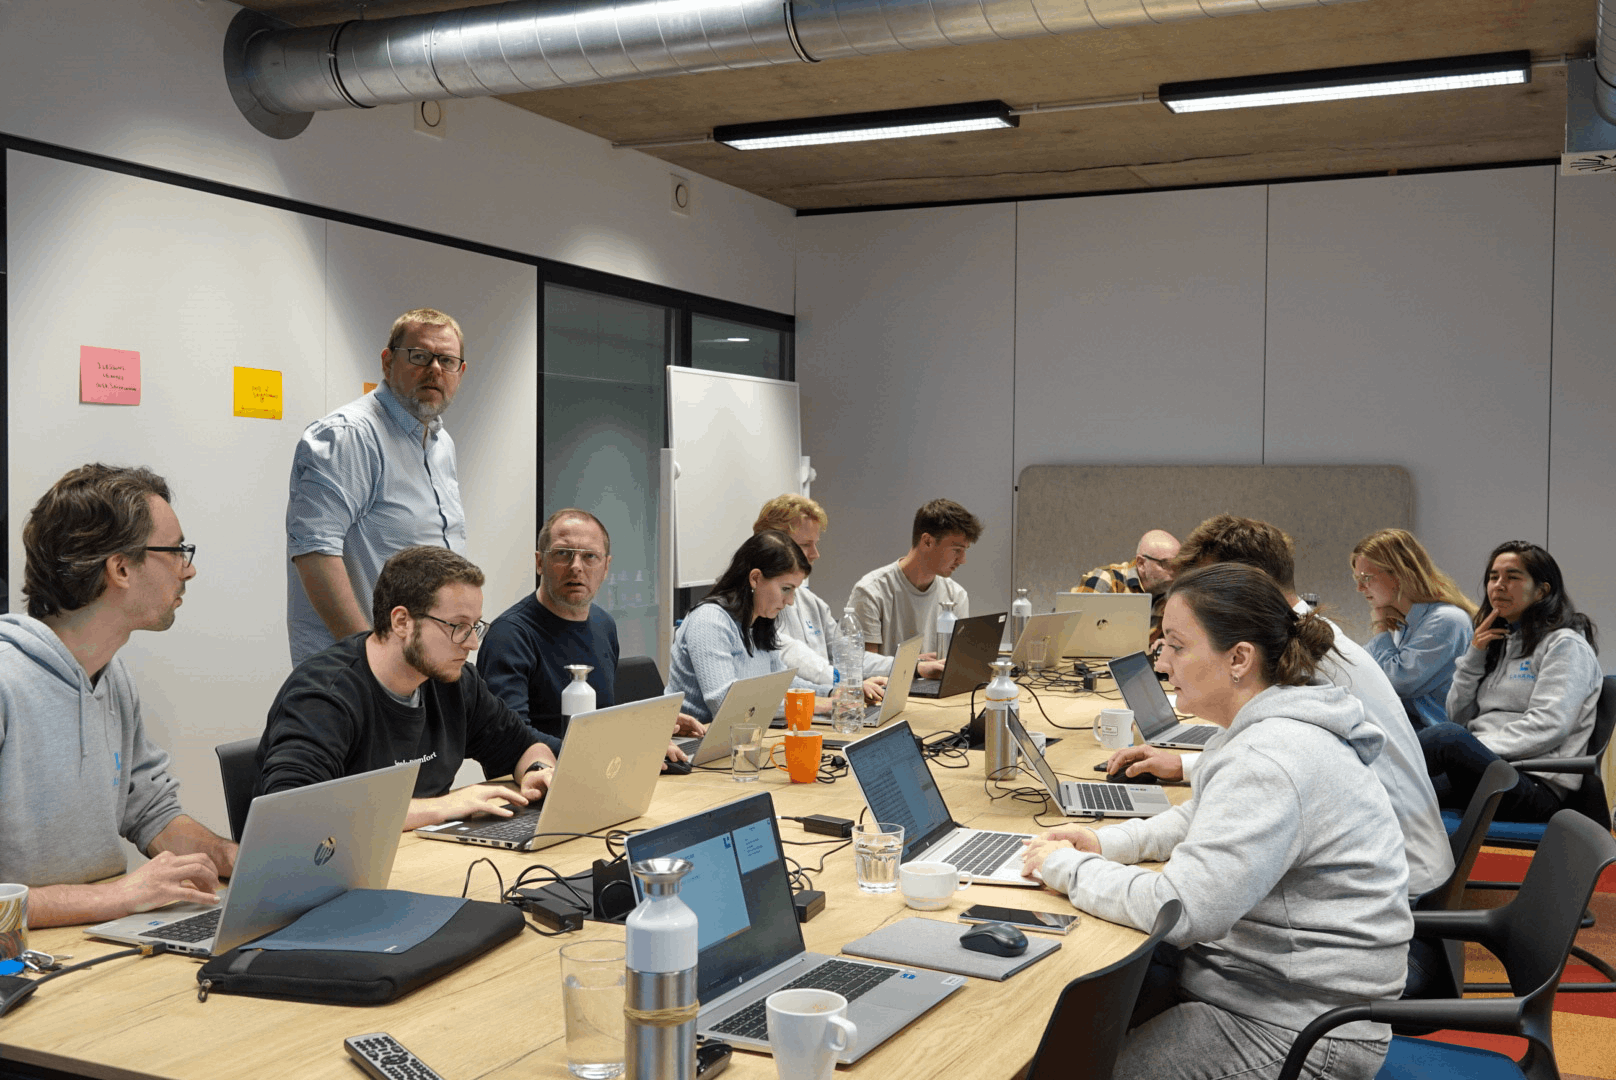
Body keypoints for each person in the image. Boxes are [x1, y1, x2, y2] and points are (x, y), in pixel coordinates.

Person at [1021, 563, 1411, 1080]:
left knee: (1063, 1065)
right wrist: (1100, 842)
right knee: (1074, 1034)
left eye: (1177, 647)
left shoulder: (1271, 758)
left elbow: (1184, 911)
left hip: (1297, 1031)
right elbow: (1199, 818)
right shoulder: (1261, 729)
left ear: (1239, 659)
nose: (1162, 664)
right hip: (1265, 992)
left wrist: (1069, 870)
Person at [1105, 514, 1453, 900]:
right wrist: (1186, 767)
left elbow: (1259, 776)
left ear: (1250, 585)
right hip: (1385, 867)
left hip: (1397, 886)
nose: (1202, 599)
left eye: (1213, 586)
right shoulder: (1306, 643)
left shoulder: (1303, 664)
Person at [0, 465, 236, 928]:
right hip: (24, 954)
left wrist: (237, 859)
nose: (189, 569)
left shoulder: (112, 678)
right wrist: (116, 898)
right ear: (121, 568)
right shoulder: (6, 683)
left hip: (97, 936)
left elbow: (150, 811)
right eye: (176, 551)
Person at [256, 546, 560, 831]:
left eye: (475, 626)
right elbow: (292, 813)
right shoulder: (325, 695)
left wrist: (537, 770)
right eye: (458, 626)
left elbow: (525, 745)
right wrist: (442, 808)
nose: (472, 643)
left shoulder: (454, 681)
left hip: (417, 856)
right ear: (402, 622)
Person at [285, 308, 470, 665]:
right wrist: (368, 658)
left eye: (446, 361)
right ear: (387, 362)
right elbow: (315, 554)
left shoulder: (441, 443)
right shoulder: (349, 436)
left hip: (421, 665)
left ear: (460, 372)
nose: (434, 369)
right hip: (357, 677)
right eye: (419, 356)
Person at [477, 508, 704, 763]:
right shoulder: (509, 636)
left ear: (606, 567)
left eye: (590, 557)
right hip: (536, 782)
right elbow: (511, 736)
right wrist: (622, 748)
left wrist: (648, 727)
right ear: (540, 562)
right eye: (563, 554)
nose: (576, 567)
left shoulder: (603, 624)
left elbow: (596, 722)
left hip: (599, 770)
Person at [1422, 541, 1601, 822]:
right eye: (1493, 577)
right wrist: (1474, 656)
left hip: (1533, 785)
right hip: (1490, 772)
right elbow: (1458, 718)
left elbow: (1549, 727)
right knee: (1400, 796)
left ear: (1542, 590)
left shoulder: (1565, 645)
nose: (1498, 585)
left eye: (1512, 577)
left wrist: (1474, 746)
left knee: (1445, 738)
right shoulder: (1499, 644)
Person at [752, 495, 919, 700]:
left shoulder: (811, 602)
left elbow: (849, 657)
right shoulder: (752, 604)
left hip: (825, 704)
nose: (815, 554)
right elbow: (794, 659)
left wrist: (914, 667)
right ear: (773, 544)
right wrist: (847, 683)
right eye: (806, 544)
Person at [664, 530, 811, 725]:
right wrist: (813, 704)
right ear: (756, 578)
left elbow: (783, 684)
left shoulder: (760, 621)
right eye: (786, 589)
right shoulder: (709, 620)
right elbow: (726, 705)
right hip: (693, 744)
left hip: (739, 738)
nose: (790, 601)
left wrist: (834, 693)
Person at [1350, 528, 1477, 729]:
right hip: (1413, 732)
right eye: (1357, 579)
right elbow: (1361, 664)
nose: (1360, 588)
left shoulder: (1447, 621)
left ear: (1399, 573)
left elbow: (1397, 683)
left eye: (1366, 577)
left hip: (1438, 736)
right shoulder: (1405, 625)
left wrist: (1380, 627)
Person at [850, 499, 981, 659]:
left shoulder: (956, 595)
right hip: (887, 684)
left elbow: (957, 663)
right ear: (927, 541)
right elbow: (865, 666)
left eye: (965, 550)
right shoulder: (870, 592)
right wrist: (919, 665)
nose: (962, 560)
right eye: (957, 550)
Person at [1073, 528, 1180, 642]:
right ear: (1141, 564)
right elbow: (1078, 635)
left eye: (1179, 565)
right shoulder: (1107, 580)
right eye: (1167, 564)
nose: (1176, 571)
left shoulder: (1172, 594)